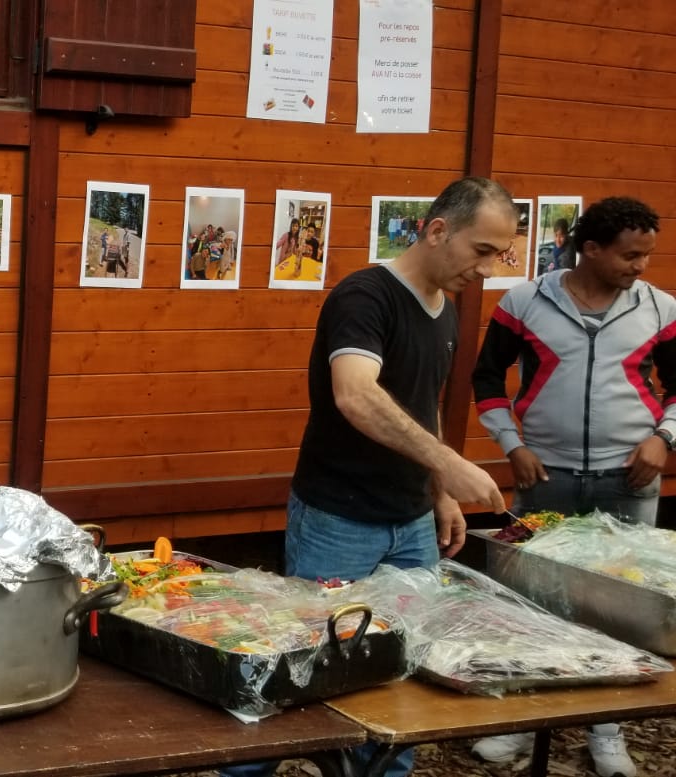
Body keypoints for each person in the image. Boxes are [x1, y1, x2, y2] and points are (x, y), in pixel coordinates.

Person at [221, 177, 515, 777]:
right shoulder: (365, 296)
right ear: (437, 231)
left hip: (409, 523)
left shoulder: (446, 311)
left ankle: (382, 771)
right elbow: (356, 395)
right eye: (482, 251)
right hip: (339, 518)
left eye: (499, 255)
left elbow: (420, 403)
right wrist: (450, 464)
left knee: (398, 659)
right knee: (309, 663)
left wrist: (438, 494)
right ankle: (244, 769)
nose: (487, 268)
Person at [468, 197, 668, 777]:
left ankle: (606, 732)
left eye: (647, 255)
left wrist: (665, 440)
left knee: (623, 609)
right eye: (630, 255)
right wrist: (513, 445)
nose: (640, 266)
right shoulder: (524, 302)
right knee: (539, 604)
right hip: (545, 477)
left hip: (629, 480)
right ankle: (531, 727)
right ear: (592, 249)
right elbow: (486, 378)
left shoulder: (660, 309)